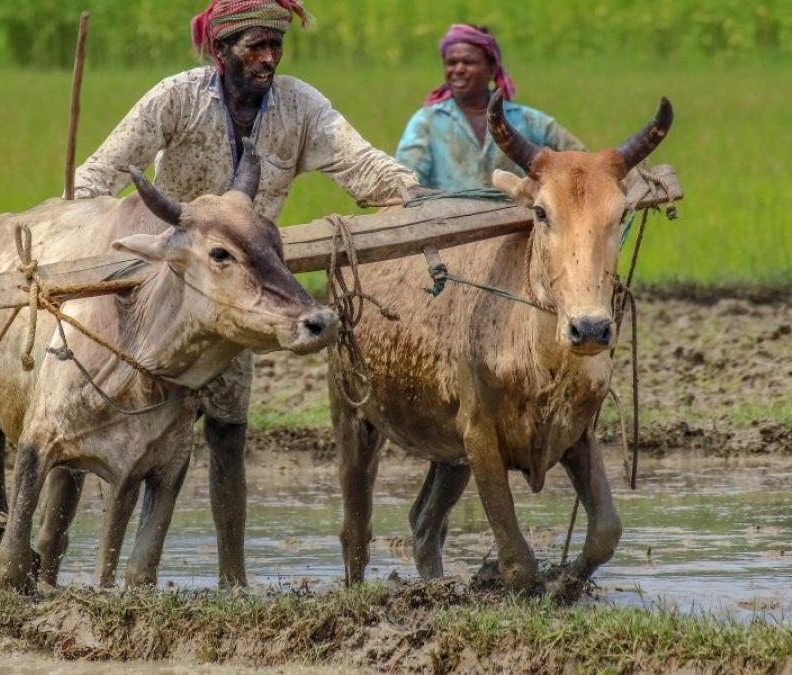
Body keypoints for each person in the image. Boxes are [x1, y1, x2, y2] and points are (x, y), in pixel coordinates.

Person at [72, 0, 424, 587]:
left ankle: (233, 579)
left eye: (274, 47)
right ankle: (101, 569)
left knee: (228, 433)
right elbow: (98, 175)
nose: (266, 59)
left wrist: (416, 196)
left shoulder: (300, 107)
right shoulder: (177, 98)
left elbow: (363, 168)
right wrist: (81, 235)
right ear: (221, 50)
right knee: (134, 425)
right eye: (253, 47)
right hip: (167, 289)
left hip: (243, 293)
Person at [396, 24, 584, 192]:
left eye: (469, 62)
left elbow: (582, 161)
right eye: (451, 63)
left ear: (492, 69)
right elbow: (404, 183)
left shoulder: (529, 120)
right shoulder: (426, 122)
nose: (458, 69)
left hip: (519, 223)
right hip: (448, 225)